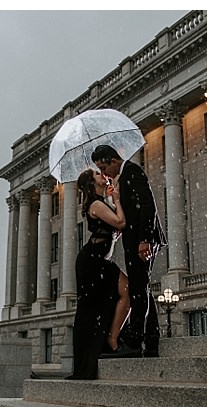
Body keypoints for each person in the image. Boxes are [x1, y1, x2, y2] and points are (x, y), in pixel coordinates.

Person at [92, 144, 167, 358]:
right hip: (134, 241)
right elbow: (127, 216)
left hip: (142, 241)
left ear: (114, 161)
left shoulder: (132, 171)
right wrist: (115, 198)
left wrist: (144, 239)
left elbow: (147, 205)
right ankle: (151, 341)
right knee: (141, 288)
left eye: (104, 168)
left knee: (137, 289)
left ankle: (134, 341)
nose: (104, 173)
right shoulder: (121, 179)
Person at [67, 168, 130, 380]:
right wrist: (117, 200)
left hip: (100, 260)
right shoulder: (96, 204)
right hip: (92, 262)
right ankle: (111, 341)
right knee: (99, 305)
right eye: (96, 173)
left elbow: (116, 229)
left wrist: (113, 201)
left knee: (119, 296)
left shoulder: (102, 202)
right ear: (90, 182)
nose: (101, 173)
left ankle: (110, 340)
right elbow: (120, 222)